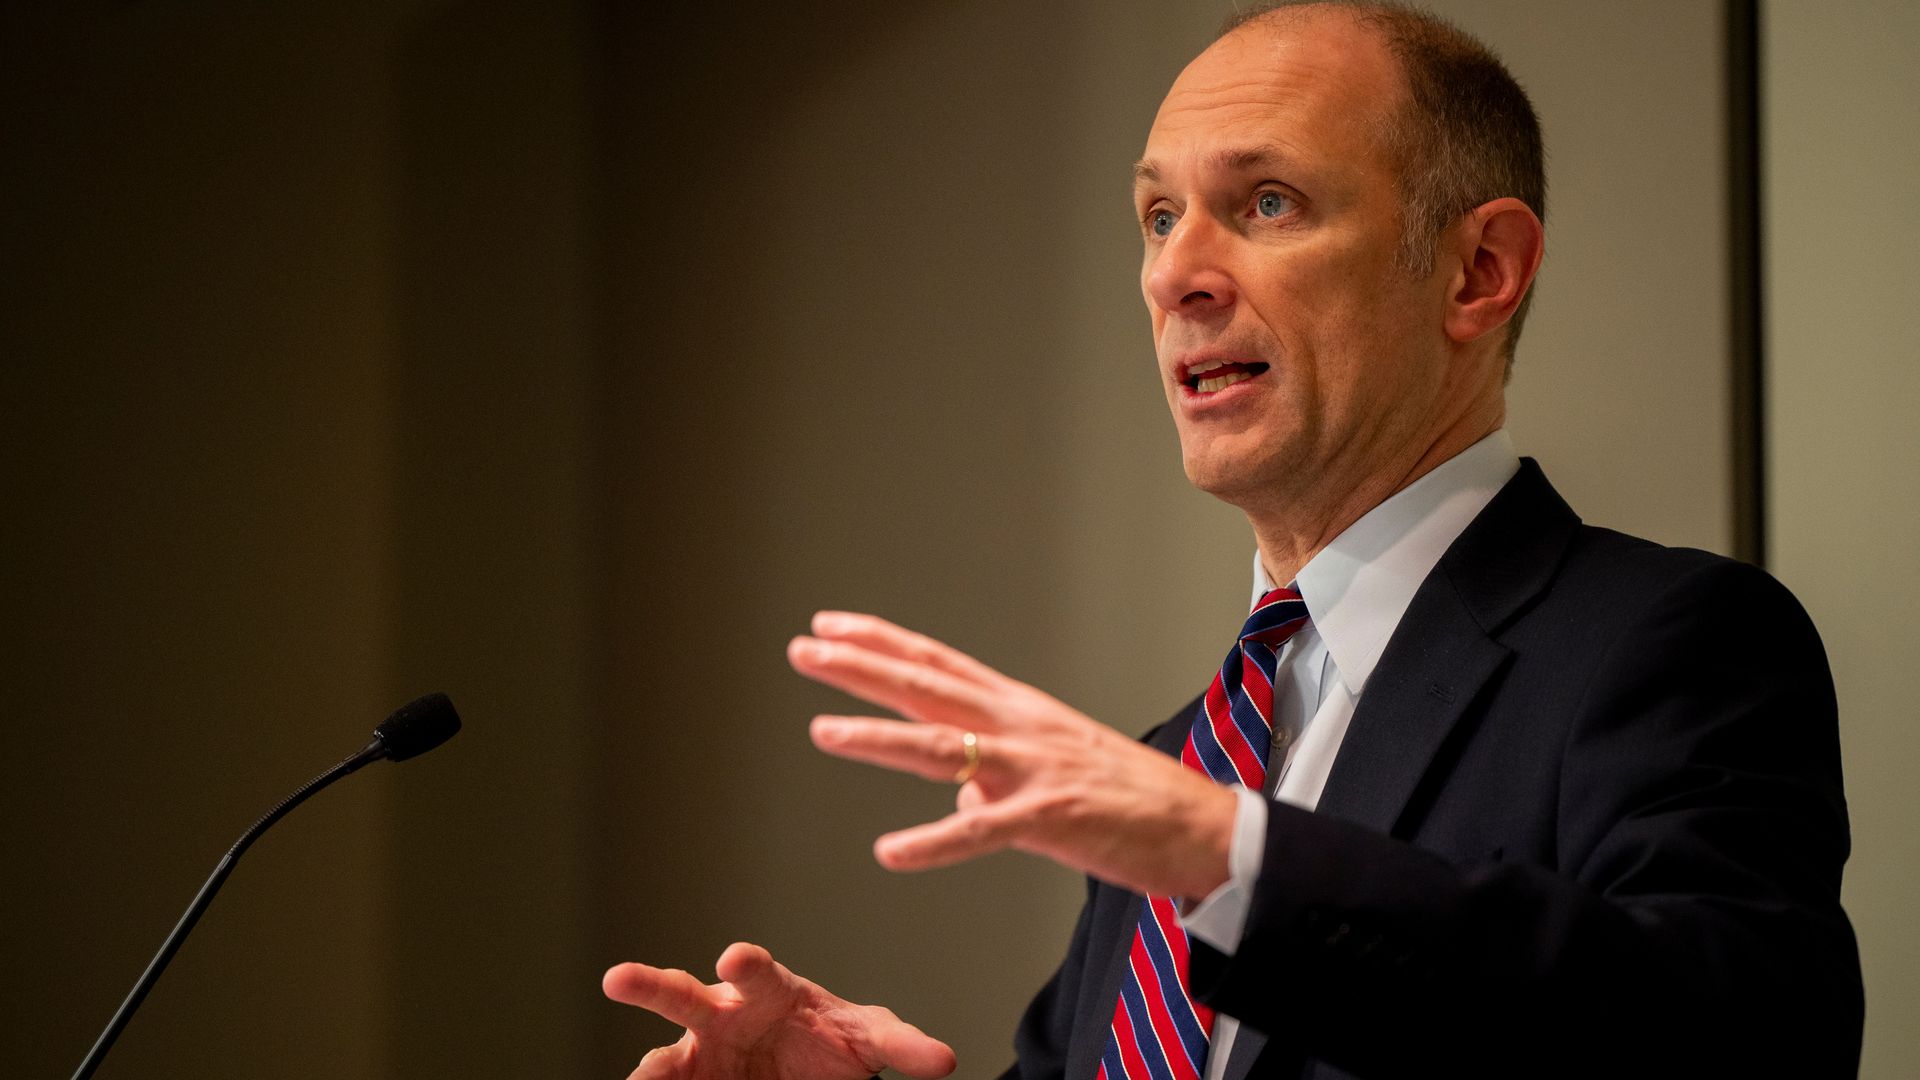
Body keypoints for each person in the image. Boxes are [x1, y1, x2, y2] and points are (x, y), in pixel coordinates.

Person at [601, 2, 1864, 1077]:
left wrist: (1222, 852)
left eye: (1266, 202)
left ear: (1480, 271)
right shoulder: (1186, 758)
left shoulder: (1664, 644)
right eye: (1158, 219)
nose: (1175, 277)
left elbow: (1737, 1035)